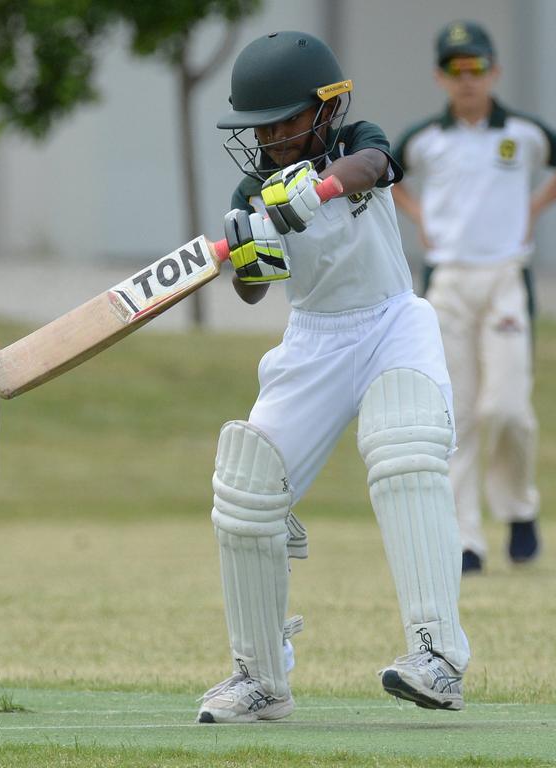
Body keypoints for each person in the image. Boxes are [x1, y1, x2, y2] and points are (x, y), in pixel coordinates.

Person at [197, 30, 470, 724]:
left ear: (326, 110)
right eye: (261, 127)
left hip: (390, 322)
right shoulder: (250, 187)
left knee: (405, 444)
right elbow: (255, 293)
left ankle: (437, 657)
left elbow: (379, 166)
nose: (272, 137)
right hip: (314, 343)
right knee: (247, 482)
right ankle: (260, 677)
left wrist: (313, 191)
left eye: (286, 121)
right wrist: (249, 254)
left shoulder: (354, 144)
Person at [392, 21, 556, 574]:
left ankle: (519, 509)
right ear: (440, 76)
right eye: (456, 70)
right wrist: (418, 218)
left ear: (494, 70)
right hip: (448, 282)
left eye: (476, 68)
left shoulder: (523, 133)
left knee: (505, 409)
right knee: (456, 415)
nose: (467, 80)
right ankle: (465, 541)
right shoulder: (424, 140)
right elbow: (385, 176)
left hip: (505, 278)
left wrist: (535, 205)